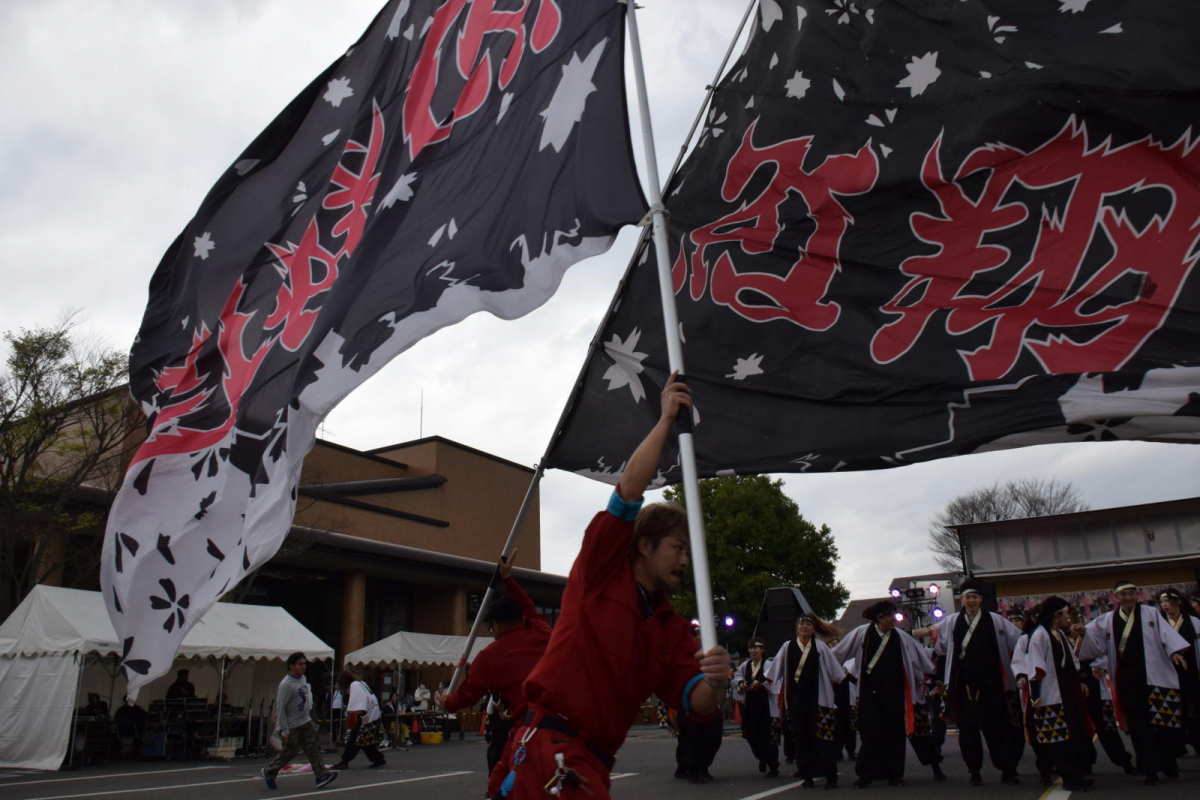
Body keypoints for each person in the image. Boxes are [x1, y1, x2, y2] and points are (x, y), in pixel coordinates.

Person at [495, 373, 732, 799]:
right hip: (550, 752)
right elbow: (628, 491)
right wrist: (665, 421)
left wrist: (715, 682)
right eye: (677, 547)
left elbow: (695, 702)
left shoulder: (672, 629)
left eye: (687, 552)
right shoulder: (600, 570)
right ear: (644, 545)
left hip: (593, 765)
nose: (683, 560)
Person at [438, 548, 552, 795]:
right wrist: (508, 579)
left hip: (531, 730)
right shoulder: (543, 634)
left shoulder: (490, 657)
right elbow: (529, 607)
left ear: (496, 625)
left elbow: (467, 694)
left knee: (501, 785)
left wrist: (446, 703)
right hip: (569, 723)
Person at [1080, 579, 1190, 785]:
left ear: (1137, 595)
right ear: (1116, 597)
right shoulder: (1107, 619)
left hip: (1154, 675)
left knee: (1165, 724)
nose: (1128, 598)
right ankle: (1149, 770)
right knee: (1139, 727)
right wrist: (1082, 632)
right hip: (1127, 678)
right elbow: (1093, 642)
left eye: (1131, 593)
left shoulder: (1151, 614)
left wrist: (1174, 652)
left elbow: (1166, 635)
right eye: (1123, 594)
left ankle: (1168, 763)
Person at [832, 600, 934, 788]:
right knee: (871, 733)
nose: (893, 620)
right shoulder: (863, 633)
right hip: (870, 692)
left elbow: (919, 656)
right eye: (890, 616)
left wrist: (934, 673)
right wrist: (827, 666)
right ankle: (866, 774)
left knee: (895, 733)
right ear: (879, 618)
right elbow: (839, 652)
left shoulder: (901, 637)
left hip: (894, 692)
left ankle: (895, 774)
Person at [931, 578, 1022, 786]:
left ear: (981, 599)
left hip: (992, 680)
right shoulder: (952, 621)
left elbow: (1018, 640)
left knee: (998, 725)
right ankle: (974, 770)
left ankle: (1007, 768)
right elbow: (940, 646)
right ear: (961, 600)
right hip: (966, 683)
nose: (971, 601)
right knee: (968, 727)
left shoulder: (995, 620)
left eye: (974, 597)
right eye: (967, 597)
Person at [767, 613, 846, 789]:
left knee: (825, 739)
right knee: (802, 739)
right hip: (797, 700)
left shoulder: (820, 647)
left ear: (813, 628)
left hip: (819, 698)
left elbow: (836, 673)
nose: (804, 627)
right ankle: (807, 776)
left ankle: (831, 776)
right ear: (797, 627)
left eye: (808, 624)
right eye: (801, 624)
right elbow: (773, 673)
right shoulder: (788, 647)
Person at [1028, 596, 1093, 792]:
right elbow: (1035, 667)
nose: (1068, 618)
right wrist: (1035, 696)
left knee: (1071, 736)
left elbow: (1073, 662)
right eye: (1066, 614)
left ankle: (1076, 774)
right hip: (1050, 695)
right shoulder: (1040, 635)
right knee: (1058, 740)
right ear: (1057, 615)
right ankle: (1069, 778)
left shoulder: (1058, 634)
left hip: (1065, 694)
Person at [261, 652, 337, 791]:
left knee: (313, 747)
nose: (303, 666)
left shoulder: (302, 679)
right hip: (291, 724)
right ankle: (270, 771)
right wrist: (284, 730)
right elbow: (281, 707)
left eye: (305, 663)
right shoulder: (286, 684)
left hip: (305, 720)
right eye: (300, 664)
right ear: (291, 666)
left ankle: (321, 775)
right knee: (290, 751)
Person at [675, 623, 726, 784]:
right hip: (688, 703)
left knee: (712, 737)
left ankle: (703, 767)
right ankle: (691, 769)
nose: (699, 637)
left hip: (711, 703)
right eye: (696, 634)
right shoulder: (684, 654)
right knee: (690, 738)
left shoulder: (713, 653)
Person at [1157, 587, 1200, 755]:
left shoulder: (1193, 622)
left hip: (1191, 669)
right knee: (1174, 708)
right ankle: (1177, 745)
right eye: (1161, 602)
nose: (1164, 605)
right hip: (1170, 671)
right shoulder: (1161, 623)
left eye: (1167, 601)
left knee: (1195, 707)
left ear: (1177, 602)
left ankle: (1197, 741)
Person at [734, 636, 780, 777]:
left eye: (756, 648)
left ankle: (773, 766)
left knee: (770, 737)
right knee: (751, 734)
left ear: (762, 650)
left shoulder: (768, 665)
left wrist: (761, 683)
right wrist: (741, 683)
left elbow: (775, 680)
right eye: (751, 648)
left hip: (766, 705)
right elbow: (737, 677)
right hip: (751, 706)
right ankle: (761, 756)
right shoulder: (745, 665)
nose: (753, 651)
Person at [332, 670, 386, 770]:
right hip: (373, 713)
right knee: (363, 740)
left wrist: (355, 712)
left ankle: (345, 761)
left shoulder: (355, 685)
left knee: (355, 738)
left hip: (366, 715)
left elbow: (358, 702)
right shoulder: (361, 683)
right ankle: (378, 758)